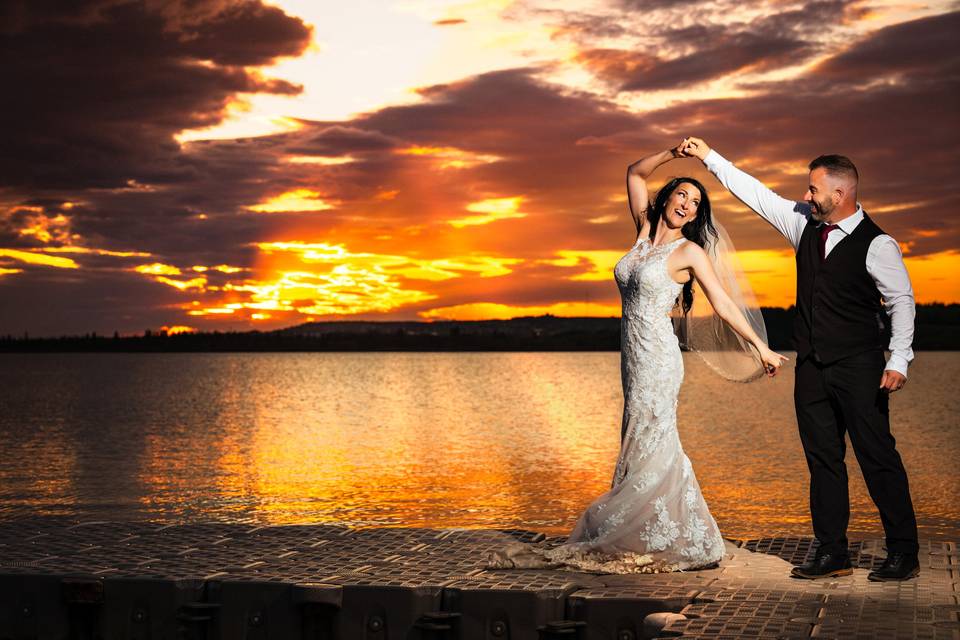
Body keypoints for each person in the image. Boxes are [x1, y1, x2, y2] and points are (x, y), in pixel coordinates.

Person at [486, 140, 787, 574]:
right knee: (636, 436)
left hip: (660, 359)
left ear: (698, 216)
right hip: (632, 356)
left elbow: (722, 303)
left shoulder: (689, 252)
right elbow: (633, 172)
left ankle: (669, 533)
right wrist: (673, 153)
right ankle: (643, 527)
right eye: (682, 195)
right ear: (667, 197)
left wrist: (760, 348)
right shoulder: (643, 229)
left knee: (653, 436)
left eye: (696, 203)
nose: (686, 205)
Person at [681, 136, 920, 581]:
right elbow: (755, 193)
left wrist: (898, 360)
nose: (805, 196)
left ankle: (904, 552)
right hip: (810, 366)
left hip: (860, 366)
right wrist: (710, 158)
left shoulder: (878, 243)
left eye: (813, 189)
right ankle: (833, 553)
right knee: (822, 460)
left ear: (840, 194)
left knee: (877, 456)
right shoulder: (802, 224)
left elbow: (901, 302)